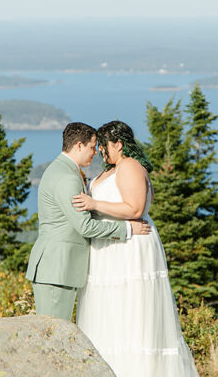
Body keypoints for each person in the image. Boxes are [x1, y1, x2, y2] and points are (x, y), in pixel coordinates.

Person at [72, 120, 218, 377]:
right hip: (111, 246)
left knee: (133, 311)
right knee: (111, 310)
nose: (101, 151)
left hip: (130, 248)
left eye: (104, 144)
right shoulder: (112, 169)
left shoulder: (129, 166)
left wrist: (93, 203)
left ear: (118, 143)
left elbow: (135, 208)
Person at [26, 122, 150, 320]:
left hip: (57, 268)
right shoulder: (67, 177)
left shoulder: (62, 169)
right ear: (79, 146)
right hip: (57, 268)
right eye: (92, 147)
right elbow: (85, 226)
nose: (96, 153)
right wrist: (127, 228)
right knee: (53, 332)